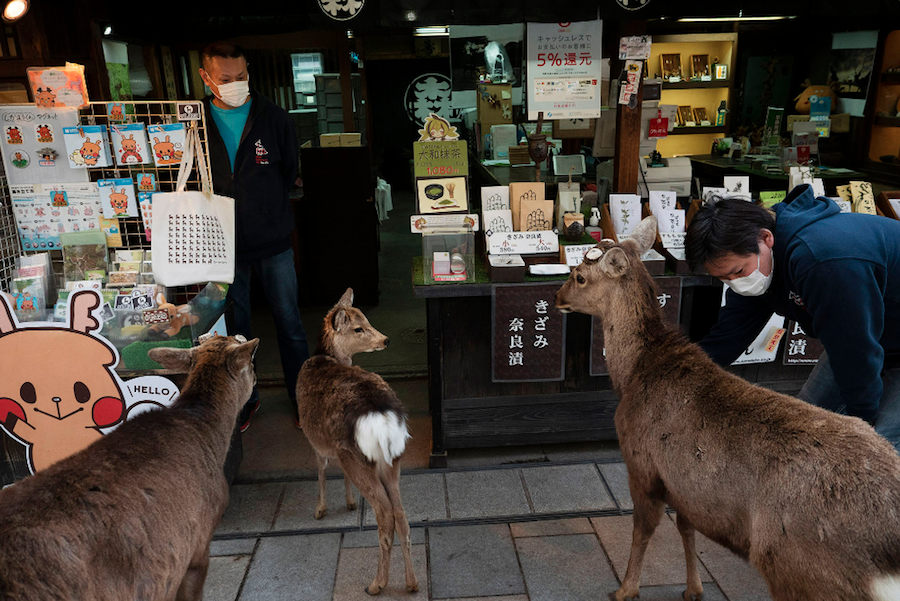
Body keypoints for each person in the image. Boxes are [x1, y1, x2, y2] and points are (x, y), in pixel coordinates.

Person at [685, 183, 900, 452]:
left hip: (869, 338)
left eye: (738, 271)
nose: (736, 283)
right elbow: (731, 333)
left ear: (766, 239)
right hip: (866, 335)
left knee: (879, 447)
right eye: (723, 278)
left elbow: (854, 350)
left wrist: (863, 419)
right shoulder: (759, 261)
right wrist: (683, 374)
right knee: (804, 426)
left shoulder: (822, 259)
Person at [199, 42, 309, 431]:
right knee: (235, 329)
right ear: (206, 78)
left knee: (289, 321)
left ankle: (303, 398)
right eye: (226, 79)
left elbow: (289, 173)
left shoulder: (275, 118)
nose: (235, 84)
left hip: (273, 238)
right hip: (220, 243)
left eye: (241, 77)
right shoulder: (194, 121)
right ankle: (247, 399)